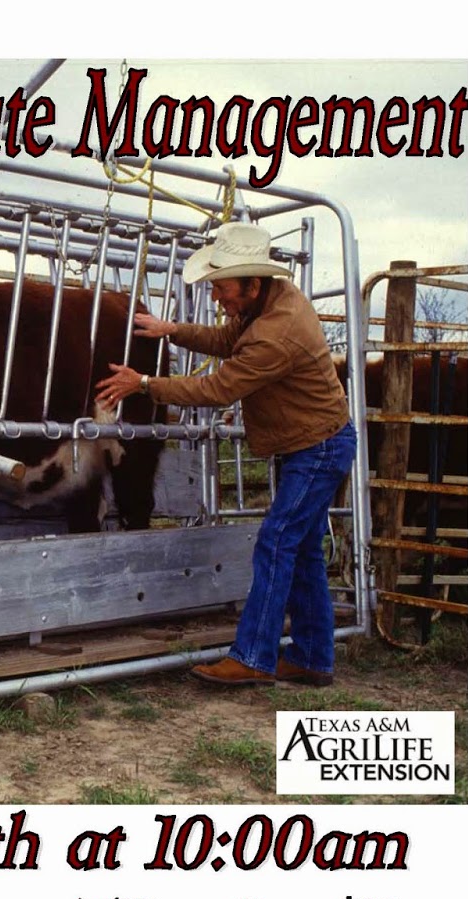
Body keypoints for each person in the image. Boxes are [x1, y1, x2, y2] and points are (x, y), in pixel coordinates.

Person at [96, 222, 356, 688]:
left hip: (318, 447)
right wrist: (172, 330)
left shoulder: (278, 331)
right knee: (302, 553)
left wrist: (145, 384)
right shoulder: (269, 302)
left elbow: (219, 387)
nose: (217, 298)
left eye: (222, 288)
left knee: (278, 542)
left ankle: (254, 656)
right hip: (310, 443)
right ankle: (313, 658)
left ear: (252, 284)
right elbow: (224, 339)